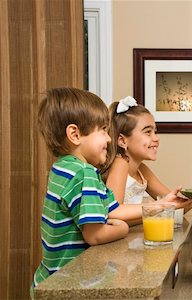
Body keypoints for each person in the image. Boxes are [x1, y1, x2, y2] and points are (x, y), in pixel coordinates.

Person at [32, 87, 130, 292]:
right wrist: (123, 229)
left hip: (49, 277)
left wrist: (163, 205)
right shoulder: (84, 173)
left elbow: (111, 208)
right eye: (103, 130)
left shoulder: (62, 167)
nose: (109, 139)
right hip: (73, 283)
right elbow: (94, 235)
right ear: (75, 134)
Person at [101, 96, 192, 211]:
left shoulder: (142, 171)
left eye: (155, 131)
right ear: (122, 141)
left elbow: (174, 205)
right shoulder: (120, 164)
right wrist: (160, 205)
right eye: (148, 132)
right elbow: (113, 212)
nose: (156, 138)